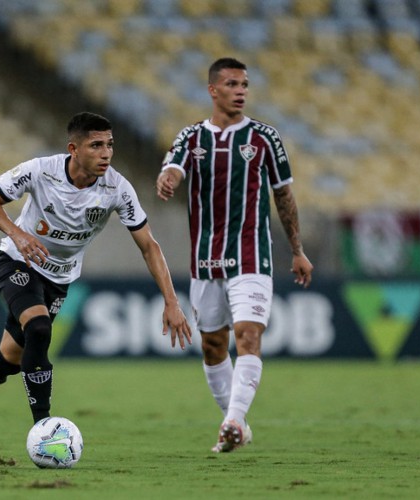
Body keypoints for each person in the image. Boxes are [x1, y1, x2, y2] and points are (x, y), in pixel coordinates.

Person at [0, 112, 192, 424]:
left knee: (10, 360)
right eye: (96, 145)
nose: (106, 154)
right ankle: (44, 426)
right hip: (18, 262)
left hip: (59, 279)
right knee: (39, 327)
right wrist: (17, 235)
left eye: (110, 145)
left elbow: (149, 246)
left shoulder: (118, 189)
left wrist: (171, 301)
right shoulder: (40, 170)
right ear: (73, 149)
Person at [156, 57, 314, 453]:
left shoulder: (265, 138)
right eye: (231, 84)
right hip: (205, 259)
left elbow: (284, 194)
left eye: (244, 84)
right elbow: (173, 167)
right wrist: (168, 178)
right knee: (212, 345)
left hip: (251, 254)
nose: (241, 91)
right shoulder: (191, 137)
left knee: (247, 335)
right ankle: (236, 424)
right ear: (213, 90)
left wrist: (297, 250)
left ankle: (231, 422)